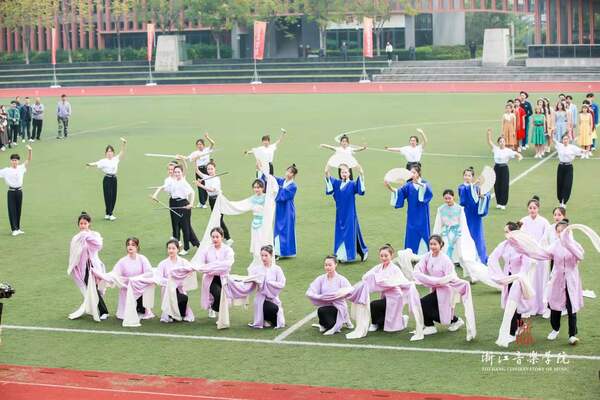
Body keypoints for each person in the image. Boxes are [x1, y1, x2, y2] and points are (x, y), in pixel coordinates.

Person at [507, 220, 597, 345]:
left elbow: (580, 256)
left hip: (571, 281)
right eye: (558, 232)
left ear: (568, 232)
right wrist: (522, 248)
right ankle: (555, 328)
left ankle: (572, 335)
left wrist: (568, 244)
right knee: (555, 308)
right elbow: (541, 254)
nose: (561, 234)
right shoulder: (555, 246)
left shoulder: (575, 245)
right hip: (557, 280)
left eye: (563, 232)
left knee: (571, 308)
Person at [345, 244, 424, 340]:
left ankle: (389, 321)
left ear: (391, 255)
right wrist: (373, 277)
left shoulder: (395, 269)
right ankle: (378, 323)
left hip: (395, 297)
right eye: (381, 256)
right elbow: (366, 276)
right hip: (386, 296)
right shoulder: (379, 267)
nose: (383, 258)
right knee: (379, 307)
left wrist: (381, 280)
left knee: (375, 305)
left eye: (386, 256)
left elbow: (400, 281)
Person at [413, 235, 476, 341]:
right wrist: (429, 279)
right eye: (431, 244)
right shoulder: (428, 256)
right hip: (436, 288)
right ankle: (438, 324)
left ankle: (445, 322)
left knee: (424, 303)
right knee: (433, 307)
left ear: (441, 245)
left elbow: (450, 276)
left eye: (435, 244)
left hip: (446, 289)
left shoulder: (445, 259)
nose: (432, 246)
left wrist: (438, 281)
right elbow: (419, 268)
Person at [432, 189, 499, 289]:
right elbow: (438, 223)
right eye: (445, 198)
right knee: (445, 256)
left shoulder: (460, 209)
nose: (447, 200)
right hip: (446, 234)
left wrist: (464, 236)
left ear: (453, 197)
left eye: (449, 198)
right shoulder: (441, 209)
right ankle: (447, 277)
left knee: (463, 256)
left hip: (458, 233)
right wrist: (436, 236)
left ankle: (473, 275)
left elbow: (463, 223)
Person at [488, 222, 536, 347]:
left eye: (507, 232)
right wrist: (498, 274)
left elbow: (526, 263)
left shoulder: (521, 246)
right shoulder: (504, 245)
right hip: (508, 278)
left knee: (513, 303)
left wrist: (520, 276)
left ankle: (512, 332)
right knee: (513, 303)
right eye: (505, 232)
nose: (505, 234)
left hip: (518, 279)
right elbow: (493, 257)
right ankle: (520, 325)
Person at [67, 211, 109, 322]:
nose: (83, 226)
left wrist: (87, 236)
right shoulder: (76, 238)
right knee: (90, 289)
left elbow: (98, 245)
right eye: (81, 223)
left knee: (96, 289)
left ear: (89, 224)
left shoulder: (94, 235)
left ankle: (103, 311)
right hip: (84, 269)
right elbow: (74, 254)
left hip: (94, 267)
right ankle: (101, 311)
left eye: (85, 223)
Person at [325, 162, 368, 262]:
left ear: (349, 173)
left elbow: (361, 190)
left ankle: (353, 254)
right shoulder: (337, 183)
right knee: (341, 233)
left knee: (349, 233)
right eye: (342, 172)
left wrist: (361, 173)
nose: (344, 174)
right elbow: (329, 180)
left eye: (346, 172)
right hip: (340, 214)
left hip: (350, 213)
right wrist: (327, 171)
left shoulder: (352, 184)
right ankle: (341, 255)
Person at [385, 165, 433, 255]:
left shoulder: (425, 183)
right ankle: (411, 254)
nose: (412, 174)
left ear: (419, 173)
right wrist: (389, 187)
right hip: (412, 214)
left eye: (414, 172)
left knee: (423, 232)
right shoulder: (408, 186)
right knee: (412, 233)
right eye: (411, 173)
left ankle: (425, 254)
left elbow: (428, 193)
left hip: (423, 214)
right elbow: (398, 192)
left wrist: (419, 184)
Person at [153, 165, 199, 256]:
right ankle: (196, 244)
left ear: (182, 173)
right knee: (178, 225)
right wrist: (155, 195)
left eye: (179, 172)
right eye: (175, 172)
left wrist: (191, 204)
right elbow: (161, 187)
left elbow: (192, 192)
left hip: (183, 204)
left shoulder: (184, 182)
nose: (177, 174)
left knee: (185, 227)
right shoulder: (172, 181)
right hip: (174, 203)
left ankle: (186, 248)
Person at [520, 196, 551, 317]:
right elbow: (520, 236)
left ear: (538, 209)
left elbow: (547, 237)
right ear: (528, 209)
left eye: (534, 208)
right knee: (530, 280)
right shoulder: (523, 221)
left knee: (541, 280)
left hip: (540, 256)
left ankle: (541, 305)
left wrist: (538, 248)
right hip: (528, 256)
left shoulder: (544, 222)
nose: (532, 210)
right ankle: (529, 306)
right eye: (530, 208)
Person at [306, 255, 353, 335]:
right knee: (321, 312)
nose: (327, 267)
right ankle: (323, 324)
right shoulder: (321, 278)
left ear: (335, 265)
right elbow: (310, 291)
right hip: (326, 307)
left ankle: (345, 318)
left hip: (338, 307)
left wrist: (340, 294)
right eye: (326, 265)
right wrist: (320, 297)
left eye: (330, 265)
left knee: (333, 326)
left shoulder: (341, 279)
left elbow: (350, 290)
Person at [194, 227, 235, 319]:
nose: (215, 239)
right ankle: (213, 308)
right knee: (218, 294)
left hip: (223, 277)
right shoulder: (207, 250)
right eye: (213, 237)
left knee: (224, 296)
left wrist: (210, 267)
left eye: (217, 237)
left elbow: (228, 264)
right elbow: (200, 264)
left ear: (222, 237)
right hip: (210, 278)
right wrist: (215, 267)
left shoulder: (228, 250)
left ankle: (217, 309)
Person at [110, 237, 154, 321]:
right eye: (128, 245)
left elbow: (149, 272)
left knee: (141, 308)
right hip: (128, 288)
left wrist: (136, 279)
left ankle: (143, 309)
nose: (130, 246)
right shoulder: (122, 261)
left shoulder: (142, 258)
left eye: (133, 245)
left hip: (140, 287)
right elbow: (114, 273)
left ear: (137, 247)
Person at [86, 138, 127, 221]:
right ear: (105, 153)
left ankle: (109, 213)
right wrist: (89, 164)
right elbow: (96, 163)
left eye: (111, 151)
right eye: (108, 151)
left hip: (114, 179)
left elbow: (122, 152)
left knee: (113, 196)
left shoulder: (115, 159)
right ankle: (109, 214)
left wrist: (124, 143)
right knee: (108, 196)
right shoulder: (103, 161)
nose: (109, 153)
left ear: (113, 153)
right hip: (107, 179)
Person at [246, 245, 286, 329]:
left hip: (273, 297)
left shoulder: (277, 269)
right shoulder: (257, 269)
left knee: (276, 312)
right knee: (270, 308)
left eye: (266, 255)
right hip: (261, 298)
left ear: (271, 255)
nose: (263, 258)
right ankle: (264, 319)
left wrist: (269, 283)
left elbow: (282, 283)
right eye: (262, 255)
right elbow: (250, 281)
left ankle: (268, 319)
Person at [156, 239, 196, 323]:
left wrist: (181, 279)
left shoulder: (183, 262)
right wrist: (170, 282)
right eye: (169, 248)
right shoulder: (163, 263)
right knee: (172, 298)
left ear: (178, 249)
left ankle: (180, 314)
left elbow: (191, 270)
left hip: (179, 288)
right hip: (168, 289)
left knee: (183, 298)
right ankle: (170, 314)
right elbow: (158, 278)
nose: (171, 250)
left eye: (173, 248)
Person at [458, 167, 490, 264]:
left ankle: (480, 256)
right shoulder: (461, 187)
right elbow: (463, 199)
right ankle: (465, 257)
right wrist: (473, 185)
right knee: (465, 235)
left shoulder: (477, 187)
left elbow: (486, 195)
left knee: (477, 235)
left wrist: (483, 197)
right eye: (465, 175)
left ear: (472, 177)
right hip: (465, 213)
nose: (467, 177)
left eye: (469, 175)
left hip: (475, 215)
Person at [195, 160, 232, 244]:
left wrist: (200, 185)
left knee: (218, 220)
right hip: (211, 200)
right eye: (208, 169)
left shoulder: (216, 179)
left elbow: (212, 189)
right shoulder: (206, 176)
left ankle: (227, 238)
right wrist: (195, 160)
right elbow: (197, 171)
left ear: (215, 169)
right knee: (217, 219)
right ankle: (225, 238)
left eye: (211, 169)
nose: (210, 171)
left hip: (218, 200)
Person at [487, 129, 522, 209]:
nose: (502, 143)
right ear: (498, 143)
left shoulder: (508, 150)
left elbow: (516, 153)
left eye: (503, 141)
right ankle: (498, 202)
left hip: (504, 169)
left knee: (504, 185)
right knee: (497, 185)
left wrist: (519, 156)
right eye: (500, 141)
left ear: (505, 142)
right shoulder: (496, 149)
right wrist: (489, 134)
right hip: (496, 168)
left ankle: (503, 203)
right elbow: (489, 142)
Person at [0, 145, 32, 236]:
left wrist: (30, 150)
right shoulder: (6, 170)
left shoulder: (21, 168)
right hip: (11, 192)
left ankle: (18, 228)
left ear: (18, 161)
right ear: (11, 161)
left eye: (16, 160)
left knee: (18, 210)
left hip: (19, 192)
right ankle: (14, 229)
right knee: (12, 210)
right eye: (13, 160)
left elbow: (28, 160)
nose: (14, 162)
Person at [181, 133, 215, 208]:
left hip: (207, 170)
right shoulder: (195, 153)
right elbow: (187, 158)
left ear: (203, 145)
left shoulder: (207, 150)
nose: (199, 145)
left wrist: (207, 137)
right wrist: (180, 157)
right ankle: (202, 203)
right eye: (198, 144)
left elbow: (213, 143)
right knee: (200, 186)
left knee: (206, 185)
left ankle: (203, 201)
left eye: (200, 144)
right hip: (199, 170)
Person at [273, 164, 298, 258]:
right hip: (280, 209)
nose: (288, 173)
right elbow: (271, 179)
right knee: (278, 229)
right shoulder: (281, 181)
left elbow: (283, 196)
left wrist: (274, 193)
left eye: (291, 172)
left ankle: (283, 252)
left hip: (288, 210)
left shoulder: (293, 186)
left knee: (285, 230)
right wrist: (264, 169)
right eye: (287, 171)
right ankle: (278, 251)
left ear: (294, 175)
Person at [555, 134, 583, 207]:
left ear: (568, 140)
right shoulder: (559, 146)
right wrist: (551, 132)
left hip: (569, 167)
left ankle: (564, 202)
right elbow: (553, 139)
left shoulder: (572, 147)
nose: (565, 140)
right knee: (560, 184)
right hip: (561, 167)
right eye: (564, 139)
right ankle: (560, 201)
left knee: (567, 184)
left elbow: (580, 151)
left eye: (567, 139)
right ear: (562, 140)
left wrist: (585, 151)